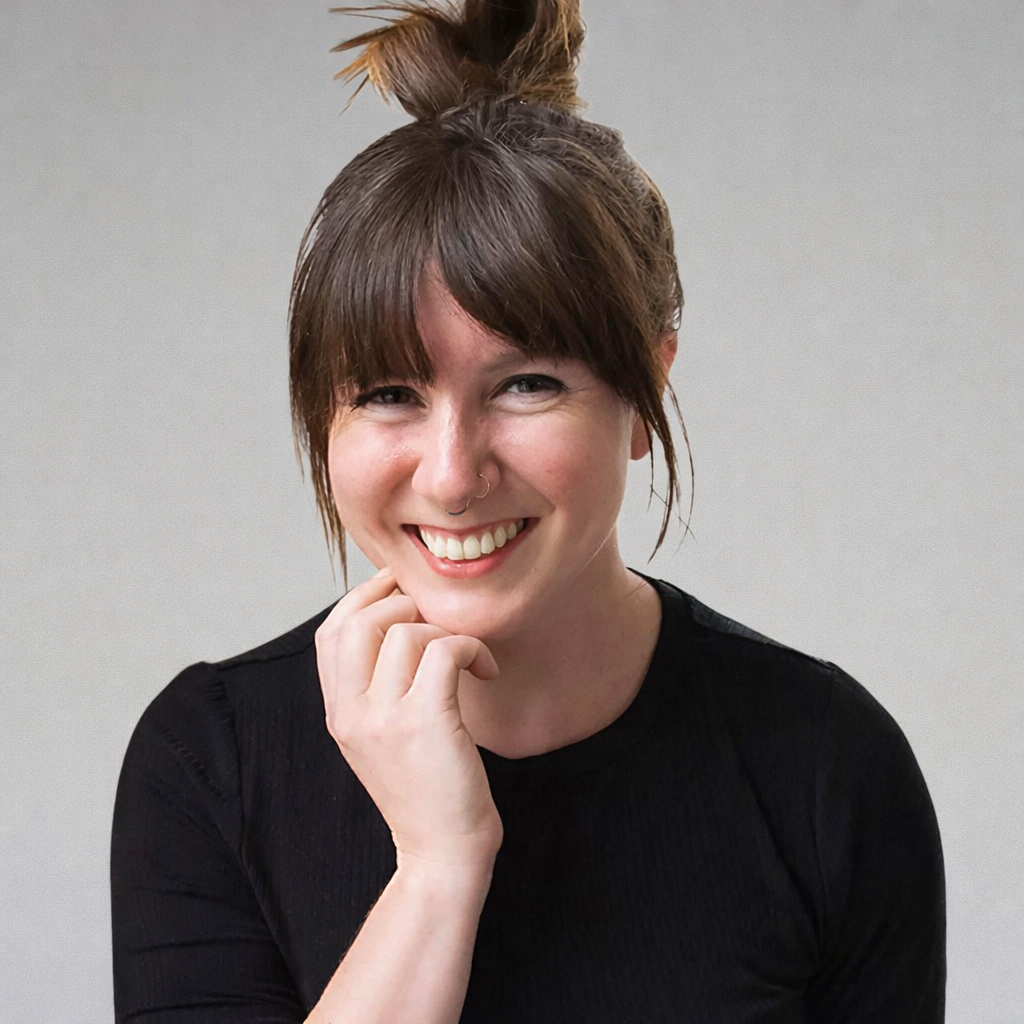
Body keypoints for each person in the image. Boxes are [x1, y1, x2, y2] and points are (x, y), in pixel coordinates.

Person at [110, 1, 946, 1021]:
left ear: (645, 395)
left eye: (527, 385)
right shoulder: (212, 764)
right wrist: (436, 865)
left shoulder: (824, 770)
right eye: (386, 394)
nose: (453, 474)